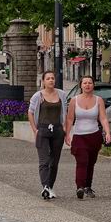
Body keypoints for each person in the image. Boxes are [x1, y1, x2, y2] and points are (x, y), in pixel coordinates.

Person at [63, 75, 111, 199]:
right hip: (79, 135)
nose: (87, 85)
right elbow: (70, 119)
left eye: (90, 82)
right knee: (82, 161)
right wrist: (67, 134)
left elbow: (103, 118)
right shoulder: (74, 100)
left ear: (93, 85)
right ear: (81, 85)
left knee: (91, 162)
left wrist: (108, 133)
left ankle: (88, 187)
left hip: (94, 135)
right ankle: (80, 187)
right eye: (85, 83)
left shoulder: (99, 100)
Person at [28, 70, 68, 200]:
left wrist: (65, 128)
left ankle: (50, 186)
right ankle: (45, 186)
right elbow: (31, 112)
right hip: (43, 130)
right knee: (44, 160)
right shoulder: (38, 96)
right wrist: (35, 129)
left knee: (54, 162)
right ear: (43, 81)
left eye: (52, 78)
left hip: (57, 130)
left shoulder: (61, 94)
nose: (51, 80)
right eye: (48, 78)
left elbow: (65, 112)